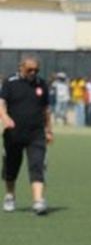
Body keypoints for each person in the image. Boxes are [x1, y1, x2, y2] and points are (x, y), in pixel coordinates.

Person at [0, 56, 53, 214]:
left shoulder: (41, 84)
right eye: (30, 69)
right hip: (13, 133)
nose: (33, 73)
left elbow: (46, 110)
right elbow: (1, 103)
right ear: (21, 67)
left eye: (36, 70)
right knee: (11, 166)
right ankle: (10, 196)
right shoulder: (10, 82)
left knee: (37, 165)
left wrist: (48, 129)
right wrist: (5, 117)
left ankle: (38, 200)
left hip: (36, 133)